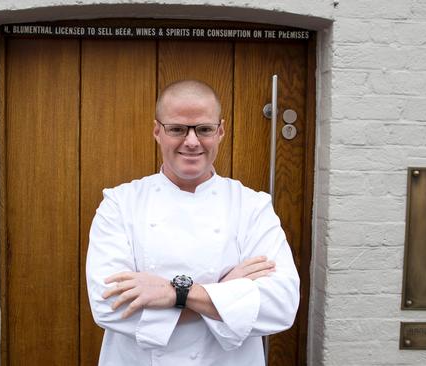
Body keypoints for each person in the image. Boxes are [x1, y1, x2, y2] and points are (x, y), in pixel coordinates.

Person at [86, 79, 300, 365]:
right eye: (176, 129)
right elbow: (108, 305)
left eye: (204, 129)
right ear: (157, 131)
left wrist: (176, 294)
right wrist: (226, 293)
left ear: (220, 131)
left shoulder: (252, 207)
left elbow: (280, 306)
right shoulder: (120, 204)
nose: (191, 141)